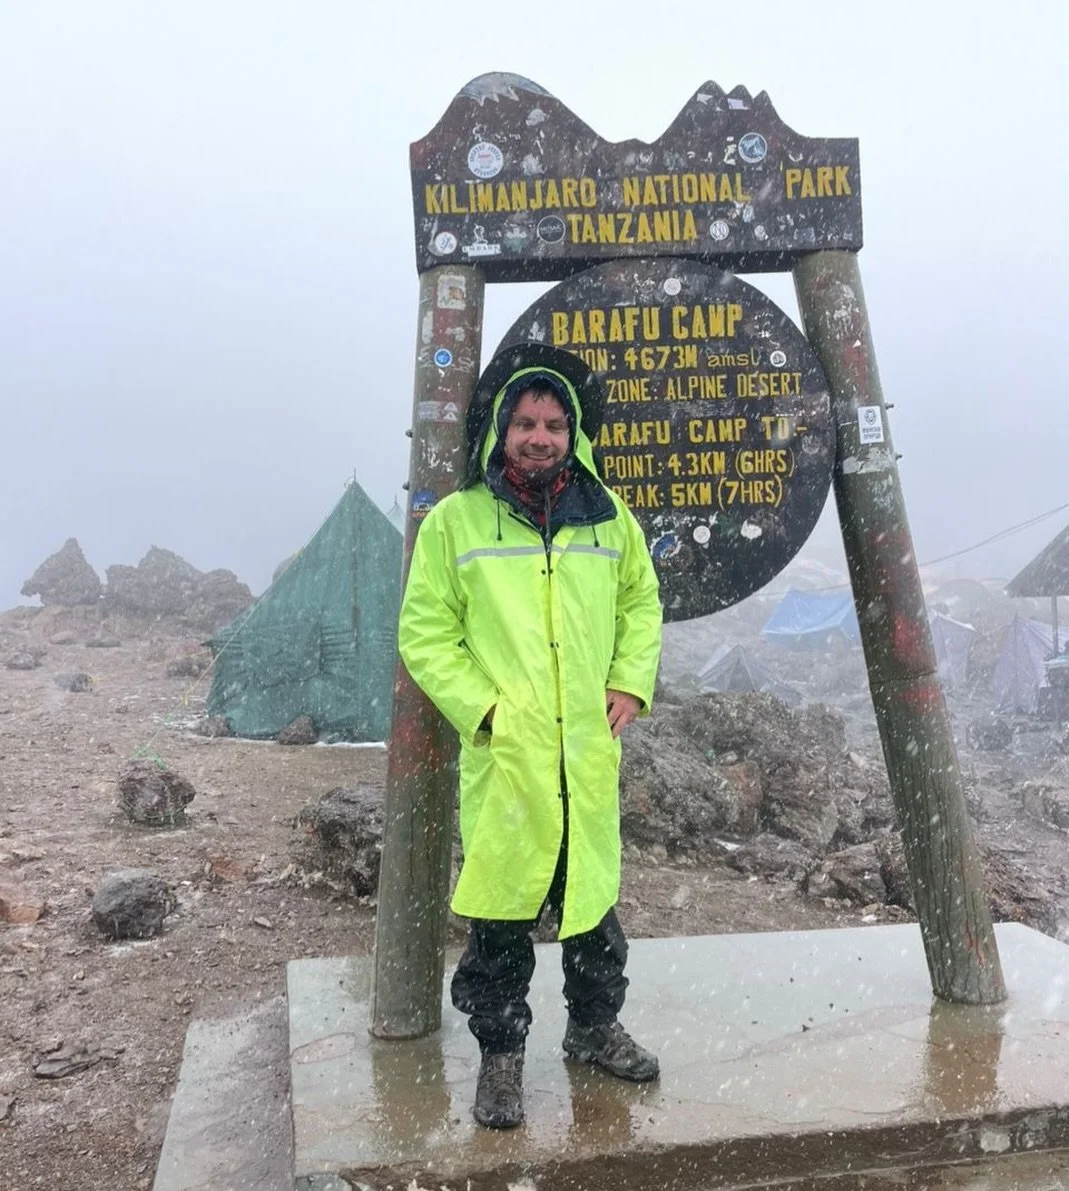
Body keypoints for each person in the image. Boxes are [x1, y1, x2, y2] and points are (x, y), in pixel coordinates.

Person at [397, 342, 663, 1129]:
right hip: (507, 760)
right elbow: (424, 629)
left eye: (552, 423)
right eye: (525, 422)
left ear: (571, 431)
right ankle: (502, 1058)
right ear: (501, 431)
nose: (539, 436)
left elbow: (640, 606)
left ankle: (590, 1029)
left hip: (583, 755)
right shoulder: (457, 520)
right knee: (501, 924)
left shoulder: (608, 518)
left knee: (591, 912)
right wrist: (482, 709)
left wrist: (628, 680)